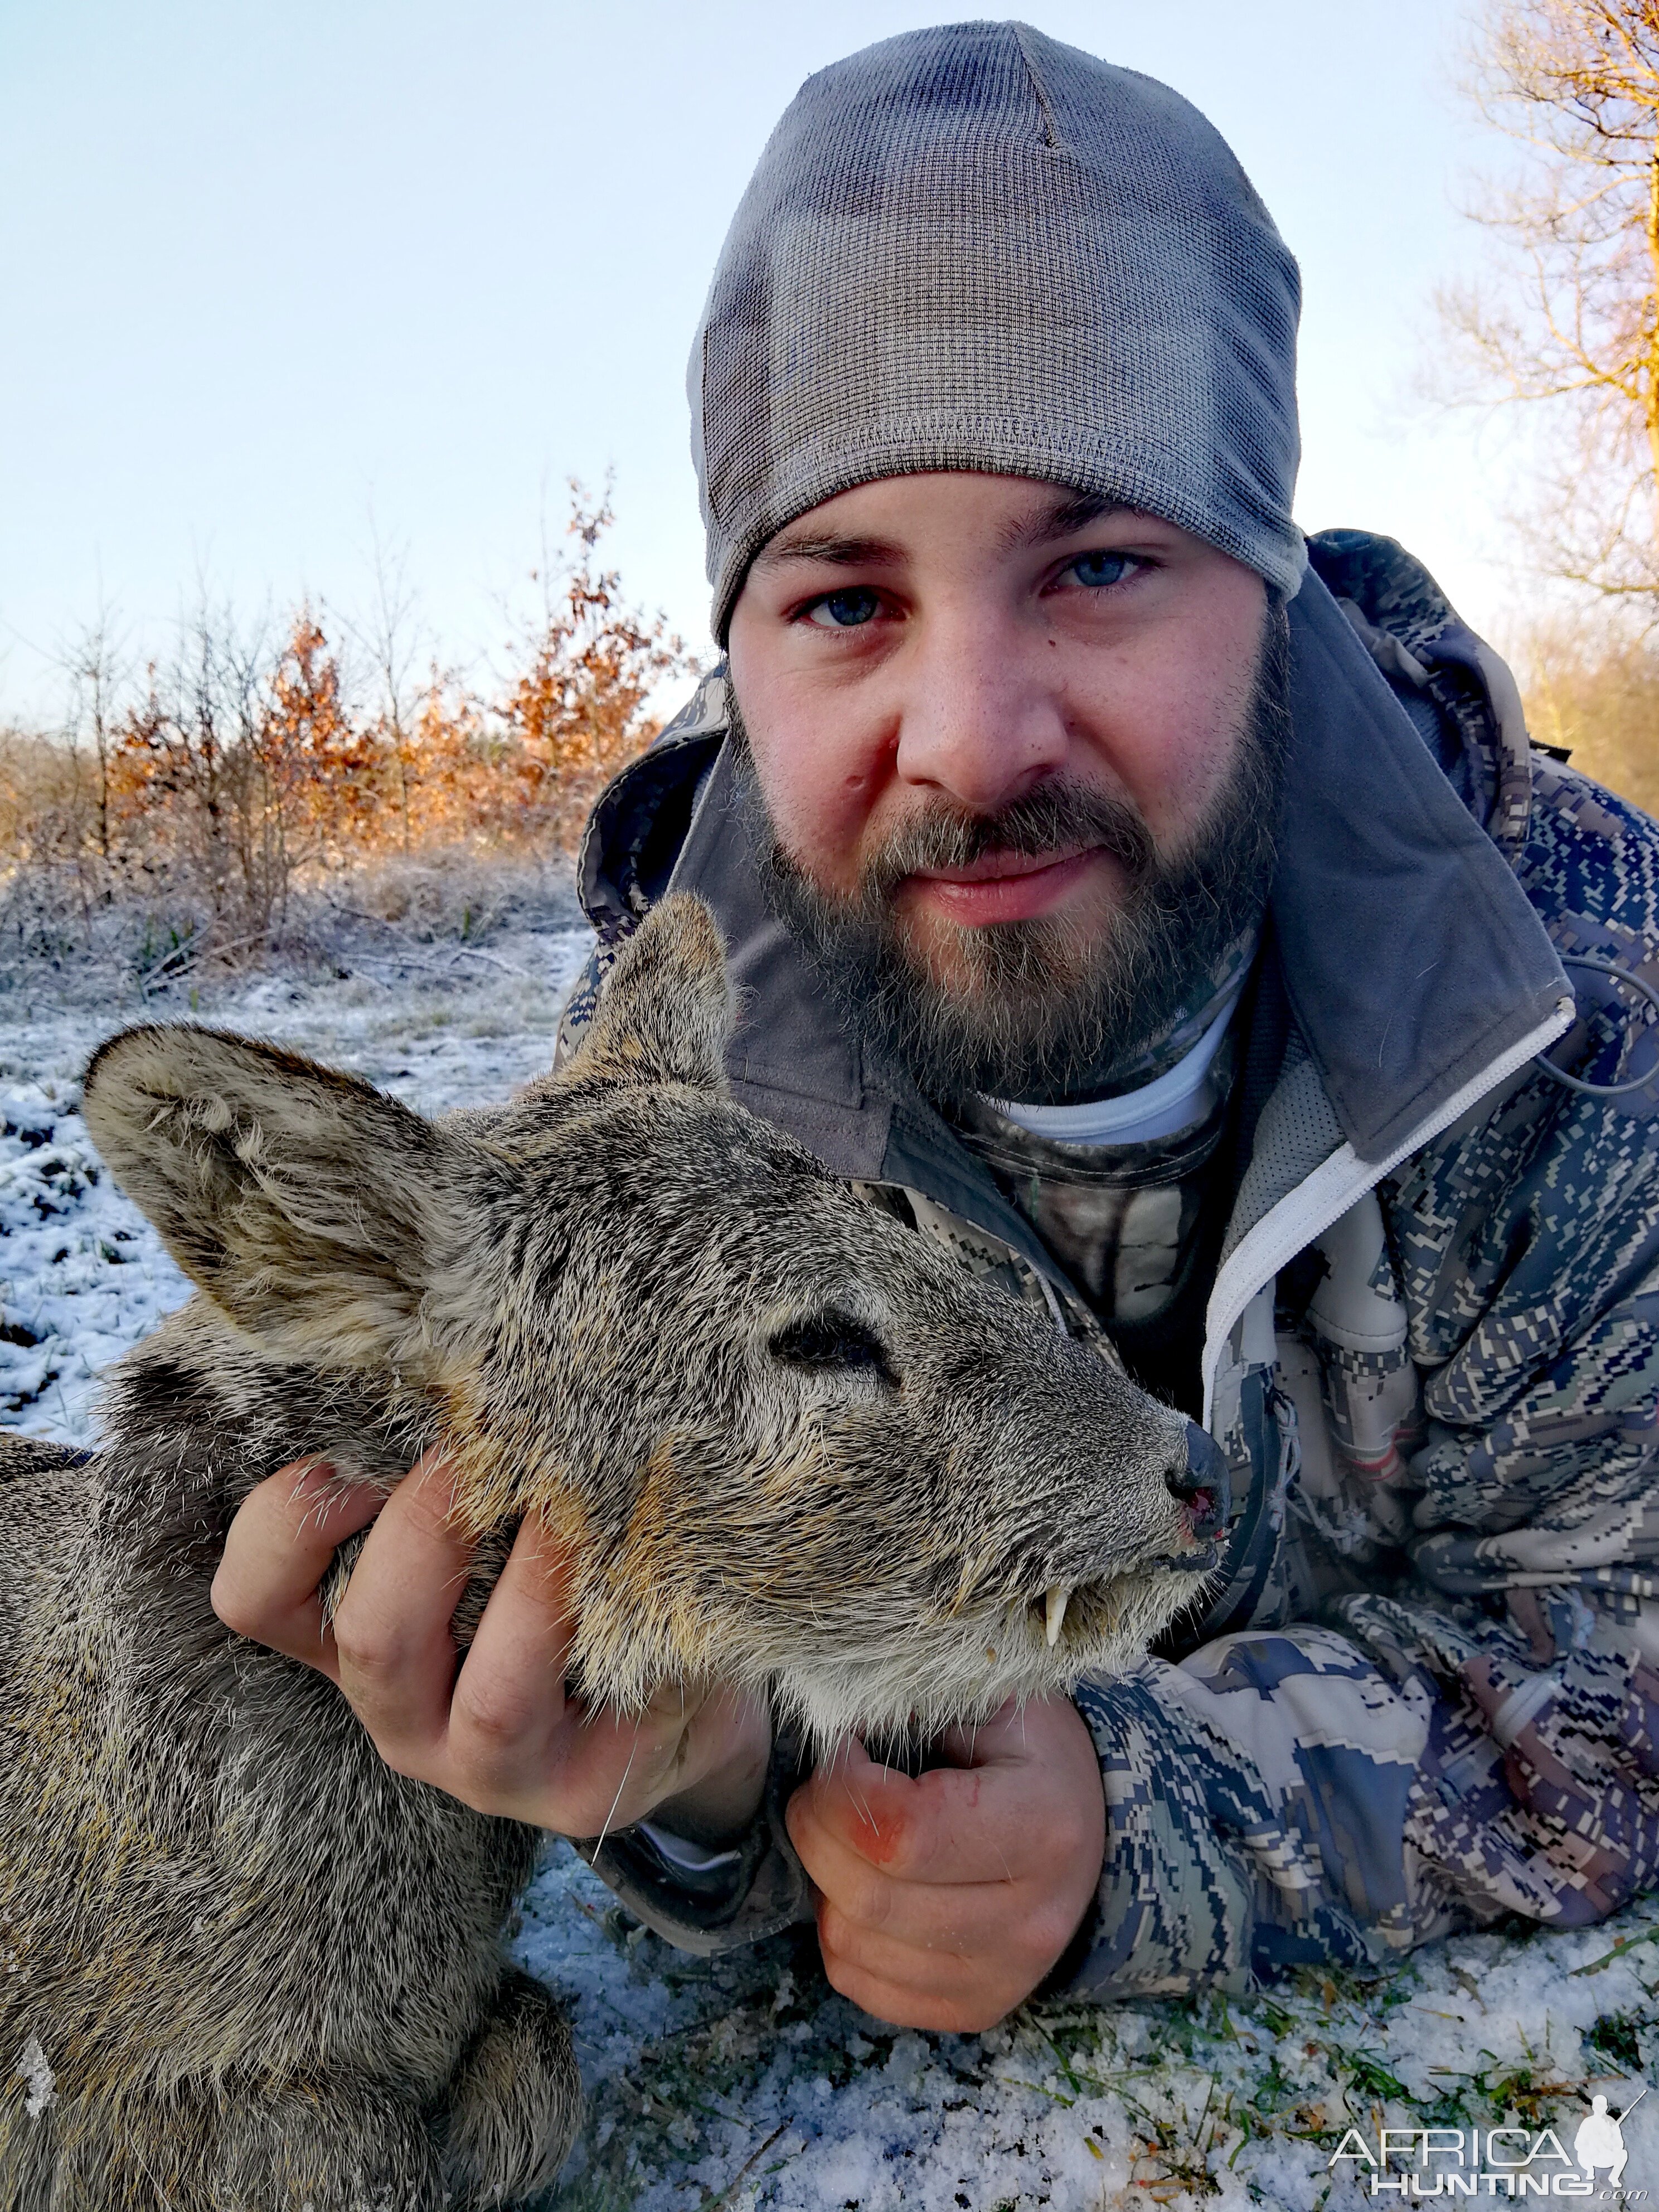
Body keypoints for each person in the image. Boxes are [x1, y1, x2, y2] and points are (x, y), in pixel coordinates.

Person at [211, 22, 1659, 2032]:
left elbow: (1628, 1644)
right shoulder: (658, 1118)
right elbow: (699, 1684)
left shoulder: (1580, 1012)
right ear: (737, 650)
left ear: (1279, 590)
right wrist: (713, 1784)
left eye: (1102, 562)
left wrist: (1148, 1832)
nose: (971, 743)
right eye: (844, 601)